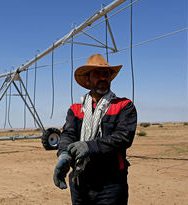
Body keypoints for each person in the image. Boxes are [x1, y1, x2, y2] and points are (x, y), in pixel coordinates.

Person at [53, 54, 137, 205]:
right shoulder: (75, 109)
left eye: (106, 74)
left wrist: (89, 146)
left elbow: (123, 137)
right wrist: (64, 155)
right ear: (87, 79)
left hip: (111, 184)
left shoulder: (124, 106)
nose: (103, 78)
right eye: (97, 74)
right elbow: (68, 134)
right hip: (80, 181)